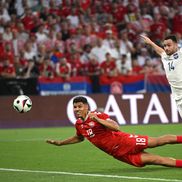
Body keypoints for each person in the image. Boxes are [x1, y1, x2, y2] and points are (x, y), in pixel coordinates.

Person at [47, 96, 182, 168]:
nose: (76, 109)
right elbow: (79, 138)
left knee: (157, 141)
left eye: (79, 106)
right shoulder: (79, 124)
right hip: (119, 154)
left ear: (86, 106)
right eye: (75, 107)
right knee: (157, 160)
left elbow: (116, 127)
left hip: (125, 141)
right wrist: (60, 143)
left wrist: (99, 120)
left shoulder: (97, 115)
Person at [141, 34, 182, 118]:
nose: (166, 48)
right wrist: (150, 43)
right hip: (178, 98)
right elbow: (159, 50)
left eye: (169, 45)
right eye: (165, 46)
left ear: (176, 45)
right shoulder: (165, 56)